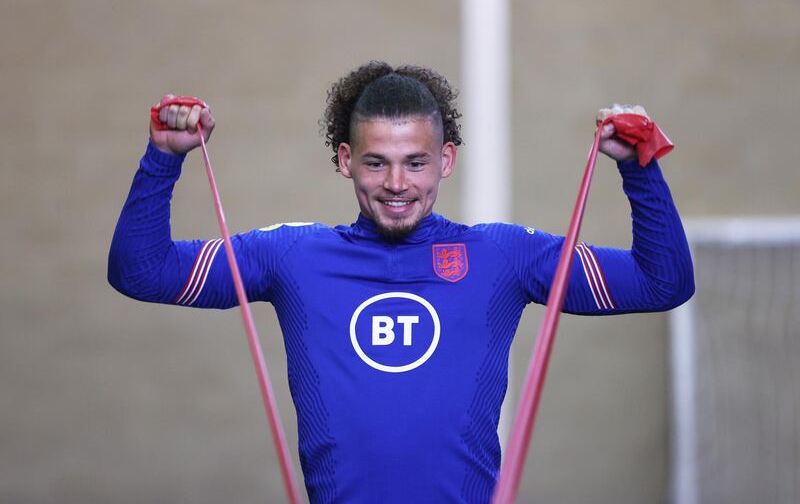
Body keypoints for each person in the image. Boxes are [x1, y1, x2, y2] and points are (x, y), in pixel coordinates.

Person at [108, 61, 694, 503]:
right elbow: (141, 272)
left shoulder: (502, 256)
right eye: (375, 162)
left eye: (415, 162)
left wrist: (638, 169)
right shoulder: (292, 255)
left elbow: (659, 282)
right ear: (344, 160)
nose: (396, 183)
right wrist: (164, 156)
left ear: (446, 160)